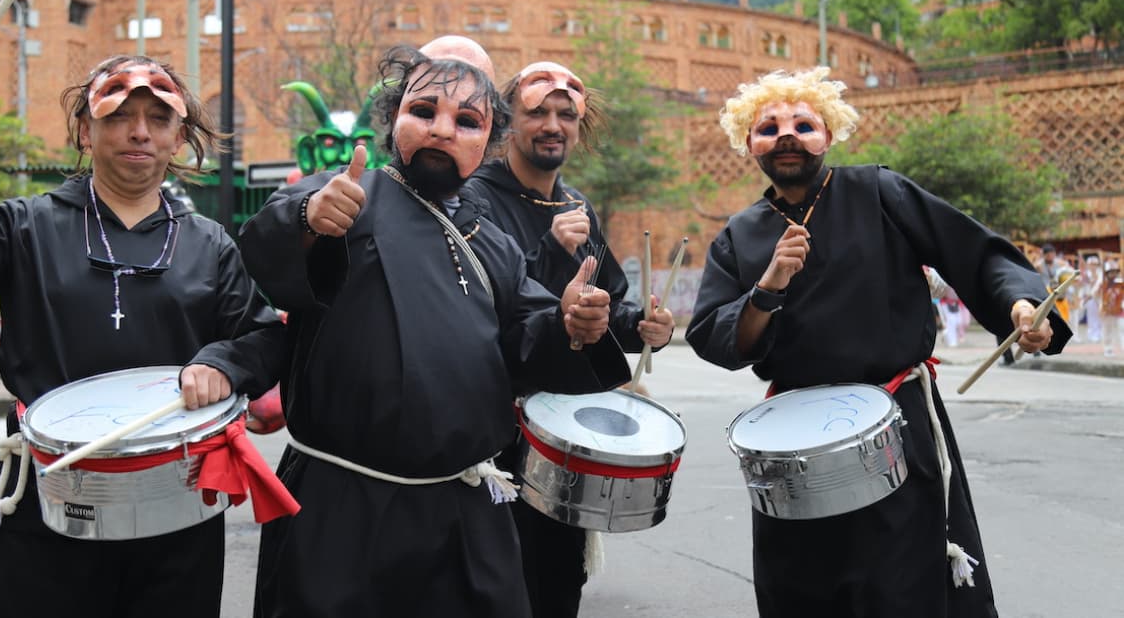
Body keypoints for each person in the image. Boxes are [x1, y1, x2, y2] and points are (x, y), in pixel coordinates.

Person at [180, 44, 632, 617]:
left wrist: (571, 324)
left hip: (467, 509)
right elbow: (272, 258)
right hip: (342, 509)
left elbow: (527, 337)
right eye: (424, 111)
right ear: (394, 119)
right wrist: (310, 222)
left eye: (467, 121)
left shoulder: (494, 243)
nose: (443, 129)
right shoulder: (343, 194)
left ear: (488, 140)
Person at [0, 55, 286, 617]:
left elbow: (261, 339)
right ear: (85, 131)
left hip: (179, 493)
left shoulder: (210, 243)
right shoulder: (24, 225)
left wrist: (222, 363)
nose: (139, 131)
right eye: (119, 115)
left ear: (179, 139)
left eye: (158, 119)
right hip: (50, 494)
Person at [687, 67, 1072, 618]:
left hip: (896, 414)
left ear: (830, 134)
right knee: (800, 588)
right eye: (768, 127)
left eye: (803, 123)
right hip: (791, 436)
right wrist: (767, 289)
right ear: (748, 143)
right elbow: (717, 336)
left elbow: (975, 251)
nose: (786, 134)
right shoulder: (739, 235)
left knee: (901, 585)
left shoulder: (877, 191)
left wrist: (1021, 305)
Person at [466, 60, 674, 617]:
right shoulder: (475, 199)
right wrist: (550, 254)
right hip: (493, 430)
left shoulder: (578, 204)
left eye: (566, 115)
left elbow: (606, 302)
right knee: (495, 584)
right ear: (508, 121)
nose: (553, 125)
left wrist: (644, 325)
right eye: (538, 113)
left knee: (557, 583)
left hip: (565, 434)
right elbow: (486, 304)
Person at [1101, 260, 1124, 357]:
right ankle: (1108, 349)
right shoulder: (1102, 285)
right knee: (1107, 330)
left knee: (1122, 329)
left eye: (1115, 272)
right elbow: (1096, 295)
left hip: (1119, 310)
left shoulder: (1121, 284)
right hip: (1107, 311)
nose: (1113, 274)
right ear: (1106, 273)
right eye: (1111, 272)